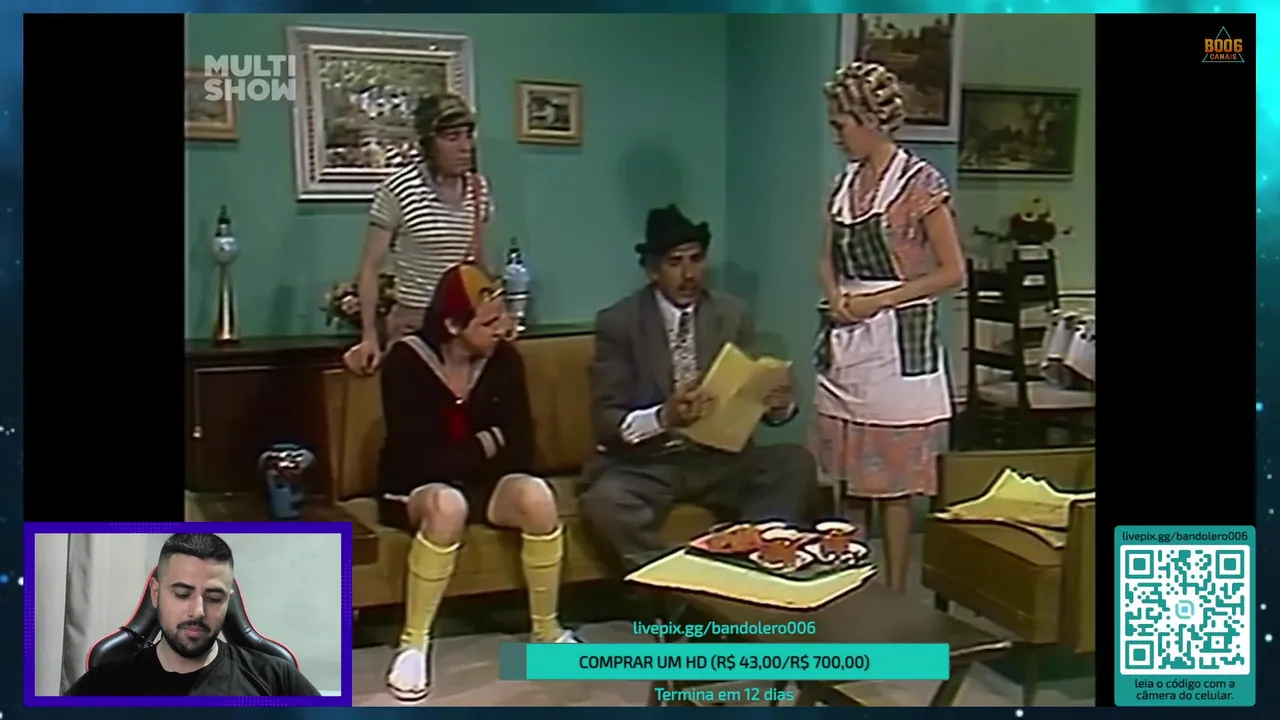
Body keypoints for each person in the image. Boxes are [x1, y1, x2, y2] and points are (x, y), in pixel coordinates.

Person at [378, 263, 581, 703]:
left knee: (537, 497)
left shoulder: (504, 360)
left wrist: (470, 452)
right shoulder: (406, 362)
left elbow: (521, 445)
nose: (503, 328)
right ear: (454, 325)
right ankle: (413, 645)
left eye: (502, 316)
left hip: (485, 485)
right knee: (447, 505)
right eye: (489, 322)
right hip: (416, 488)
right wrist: (486, 442)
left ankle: (547, 632)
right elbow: (416, 459)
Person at [578, 204, 818, 572]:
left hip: (720, 459)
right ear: (653, 270)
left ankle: (755, 568)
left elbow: (754, 389)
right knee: (606, 501)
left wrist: (778, 403)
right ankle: (670, 585)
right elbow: (607, 419)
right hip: (652, 462)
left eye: (696, 259)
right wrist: (664, 417)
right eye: (675, 263)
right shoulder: (619, 322)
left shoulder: (732, 313)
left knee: (794, 464)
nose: (689, 274)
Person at [811, 61, 966, 593]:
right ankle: (849, 586)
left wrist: (880, 301)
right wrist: (837, 296)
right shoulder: (843, 185)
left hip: (898, 343)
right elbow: (825, 258)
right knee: (851, 482)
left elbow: (952, 270)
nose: (836, 136)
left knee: (894, 487)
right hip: (847, 340)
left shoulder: (920, 184)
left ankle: (896, 595)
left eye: (841, 125)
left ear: (870, 121)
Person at [345, 93, 495, 375]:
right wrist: (369, 336)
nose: (465, 147)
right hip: (413, 324)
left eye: (467, 136)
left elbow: (479, 262)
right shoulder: (399, 189)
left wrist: (497, 313)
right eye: (452, 137)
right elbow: (369, 269)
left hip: (463, 327)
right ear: (429, 144)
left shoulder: (478, 188)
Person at [65, 534, 319, 697]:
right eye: (182, 594)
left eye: (214, 598)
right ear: (156, 593)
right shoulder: (103, 687)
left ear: (228, 601)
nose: (197, 611)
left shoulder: (275, 678)